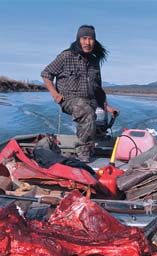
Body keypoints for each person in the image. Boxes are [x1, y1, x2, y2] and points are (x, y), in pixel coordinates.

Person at [41, 25, 119, 162]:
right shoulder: (66, 56)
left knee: (92, 113)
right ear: (78, 39)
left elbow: (98, 89)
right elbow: (46, 74)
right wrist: (55, 94)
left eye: (91, 39)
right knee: (86, 111)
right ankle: (83, 155)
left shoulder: (94, 60)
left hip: (91, 101)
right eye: (84, 38)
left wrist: (107, 107)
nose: (87, 43)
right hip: (69, 99)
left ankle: (92, 136)